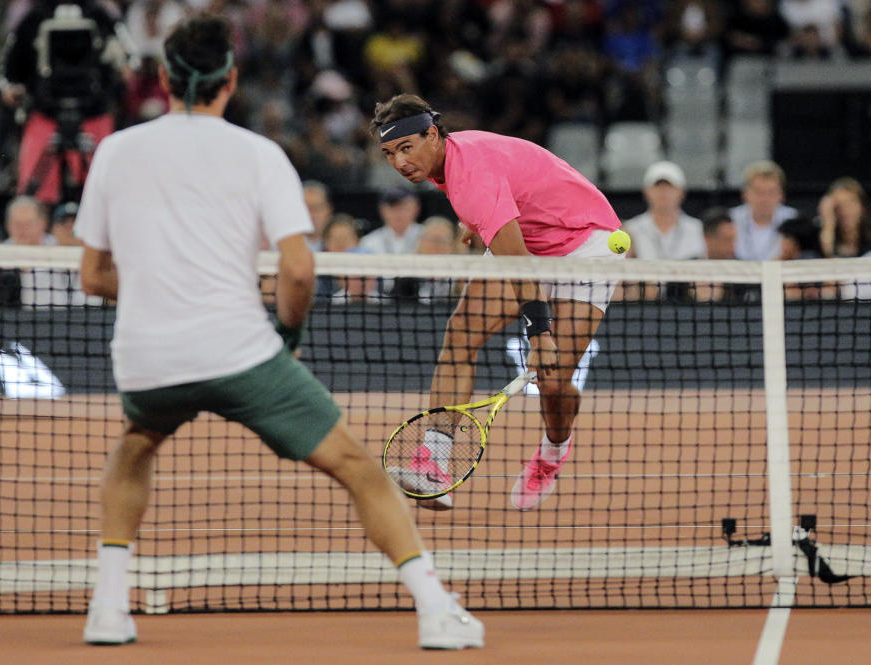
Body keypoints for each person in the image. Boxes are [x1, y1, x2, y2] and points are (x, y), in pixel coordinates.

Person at [74, 14, 482, 650]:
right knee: (360, 467)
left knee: (135, 445)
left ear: (162, 76)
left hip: (149, 356)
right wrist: (286, 341)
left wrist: (163, 288)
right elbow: (297, 271)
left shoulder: (116, 151)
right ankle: (435, 610)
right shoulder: (260, 155)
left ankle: (106, 607)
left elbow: (94, 277)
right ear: (230, 80)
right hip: (243, 353)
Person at [372, 93, 624, 512]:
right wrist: (474, 219)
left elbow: (517, 264)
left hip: (588, 243)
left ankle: (552, 453)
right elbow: (507, 191)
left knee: (555, 382)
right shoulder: (448, 161)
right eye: (389, 153)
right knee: (462, 332)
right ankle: (434, 463)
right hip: (530, 237)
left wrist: (540, 333)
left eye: (406, 147)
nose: (399, 162)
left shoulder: (470, 174)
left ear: (432, 135)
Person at [0, 0, 133, 204]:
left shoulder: (99, 15)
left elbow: (129, 58)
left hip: (94, 115)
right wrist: (12, 88)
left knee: (102, 193)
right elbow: (9, 68)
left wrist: (122, 69)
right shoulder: (35, 17)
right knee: (34, 200)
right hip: (45, 117)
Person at [622, 161, 704, 301]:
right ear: (647, 192)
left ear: (681, 192)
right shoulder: (630, 229)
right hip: (644, 300)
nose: (663, 193)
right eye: (658, 187)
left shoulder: (697, 228)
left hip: (687, 300)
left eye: (669, 187)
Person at [729, 160, 798, 261]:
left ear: (781, 195)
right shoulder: (730, 220)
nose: (764, 199)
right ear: (745, 194)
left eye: (771, 192)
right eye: (758, 192)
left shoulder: (794, 220)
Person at [817, 177, 871, 258]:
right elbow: (830, 263)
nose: (845, 212)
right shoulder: (817, 239)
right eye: (838, 206)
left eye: (850, 204)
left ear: (862, 206)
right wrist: (828, 225)